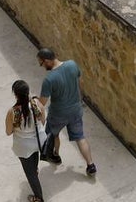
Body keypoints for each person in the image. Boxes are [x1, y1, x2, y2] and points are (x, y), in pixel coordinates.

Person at [37, 48, 96, 176]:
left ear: (47, 61)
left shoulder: (49, 79)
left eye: (42, 63)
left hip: (58, 114)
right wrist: (79, 99)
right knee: (80, 137)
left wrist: (34, 104)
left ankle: (56, 156)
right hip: (75, 110)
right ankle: (90, 165)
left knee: (54, 134)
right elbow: (80, 82)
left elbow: (42, 103)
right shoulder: (72, 64)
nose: (42, 66)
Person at [5, 79, 45, 202]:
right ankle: (35, 169)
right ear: (28, 92)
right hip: (39, 140)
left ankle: (39, 197)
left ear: (15, 94)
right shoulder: (36, 103)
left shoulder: (13, 112)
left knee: (30, 174)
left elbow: (8, 131)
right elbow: (43, 120)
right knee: (34, 152)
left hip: (23, 146)